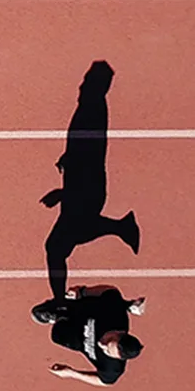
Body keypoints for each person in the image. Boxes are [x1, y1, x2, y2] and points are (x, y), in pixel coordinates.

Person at [41, 61, 142, 299]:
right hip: (84, 188)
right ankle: (121, 227)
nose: (81, 84)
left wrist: (62, 194)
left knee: (56, 248)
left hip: (85, 192)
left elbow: (89, 155)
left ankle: (60, 303)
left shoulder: (92, 110)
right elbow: (84, 149)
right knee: (64, 241)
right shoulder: (90, 107)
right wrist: (67, 157)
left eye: (87, 80)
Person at [33, 284, 146, 386]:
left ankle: (59, 319)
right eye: (108, 340)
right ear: (119, 332)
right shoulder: (114, 313)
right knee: (39, 311)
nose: (102, 344)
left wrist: (72, 373)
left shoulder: (113, 368)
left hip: (79, 339)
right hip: (85, 311)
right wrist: (82, 292)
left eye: (107, 351)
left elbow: (103, 381)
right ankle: (62, 312)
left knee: (56, 336)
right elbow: (110, 291)